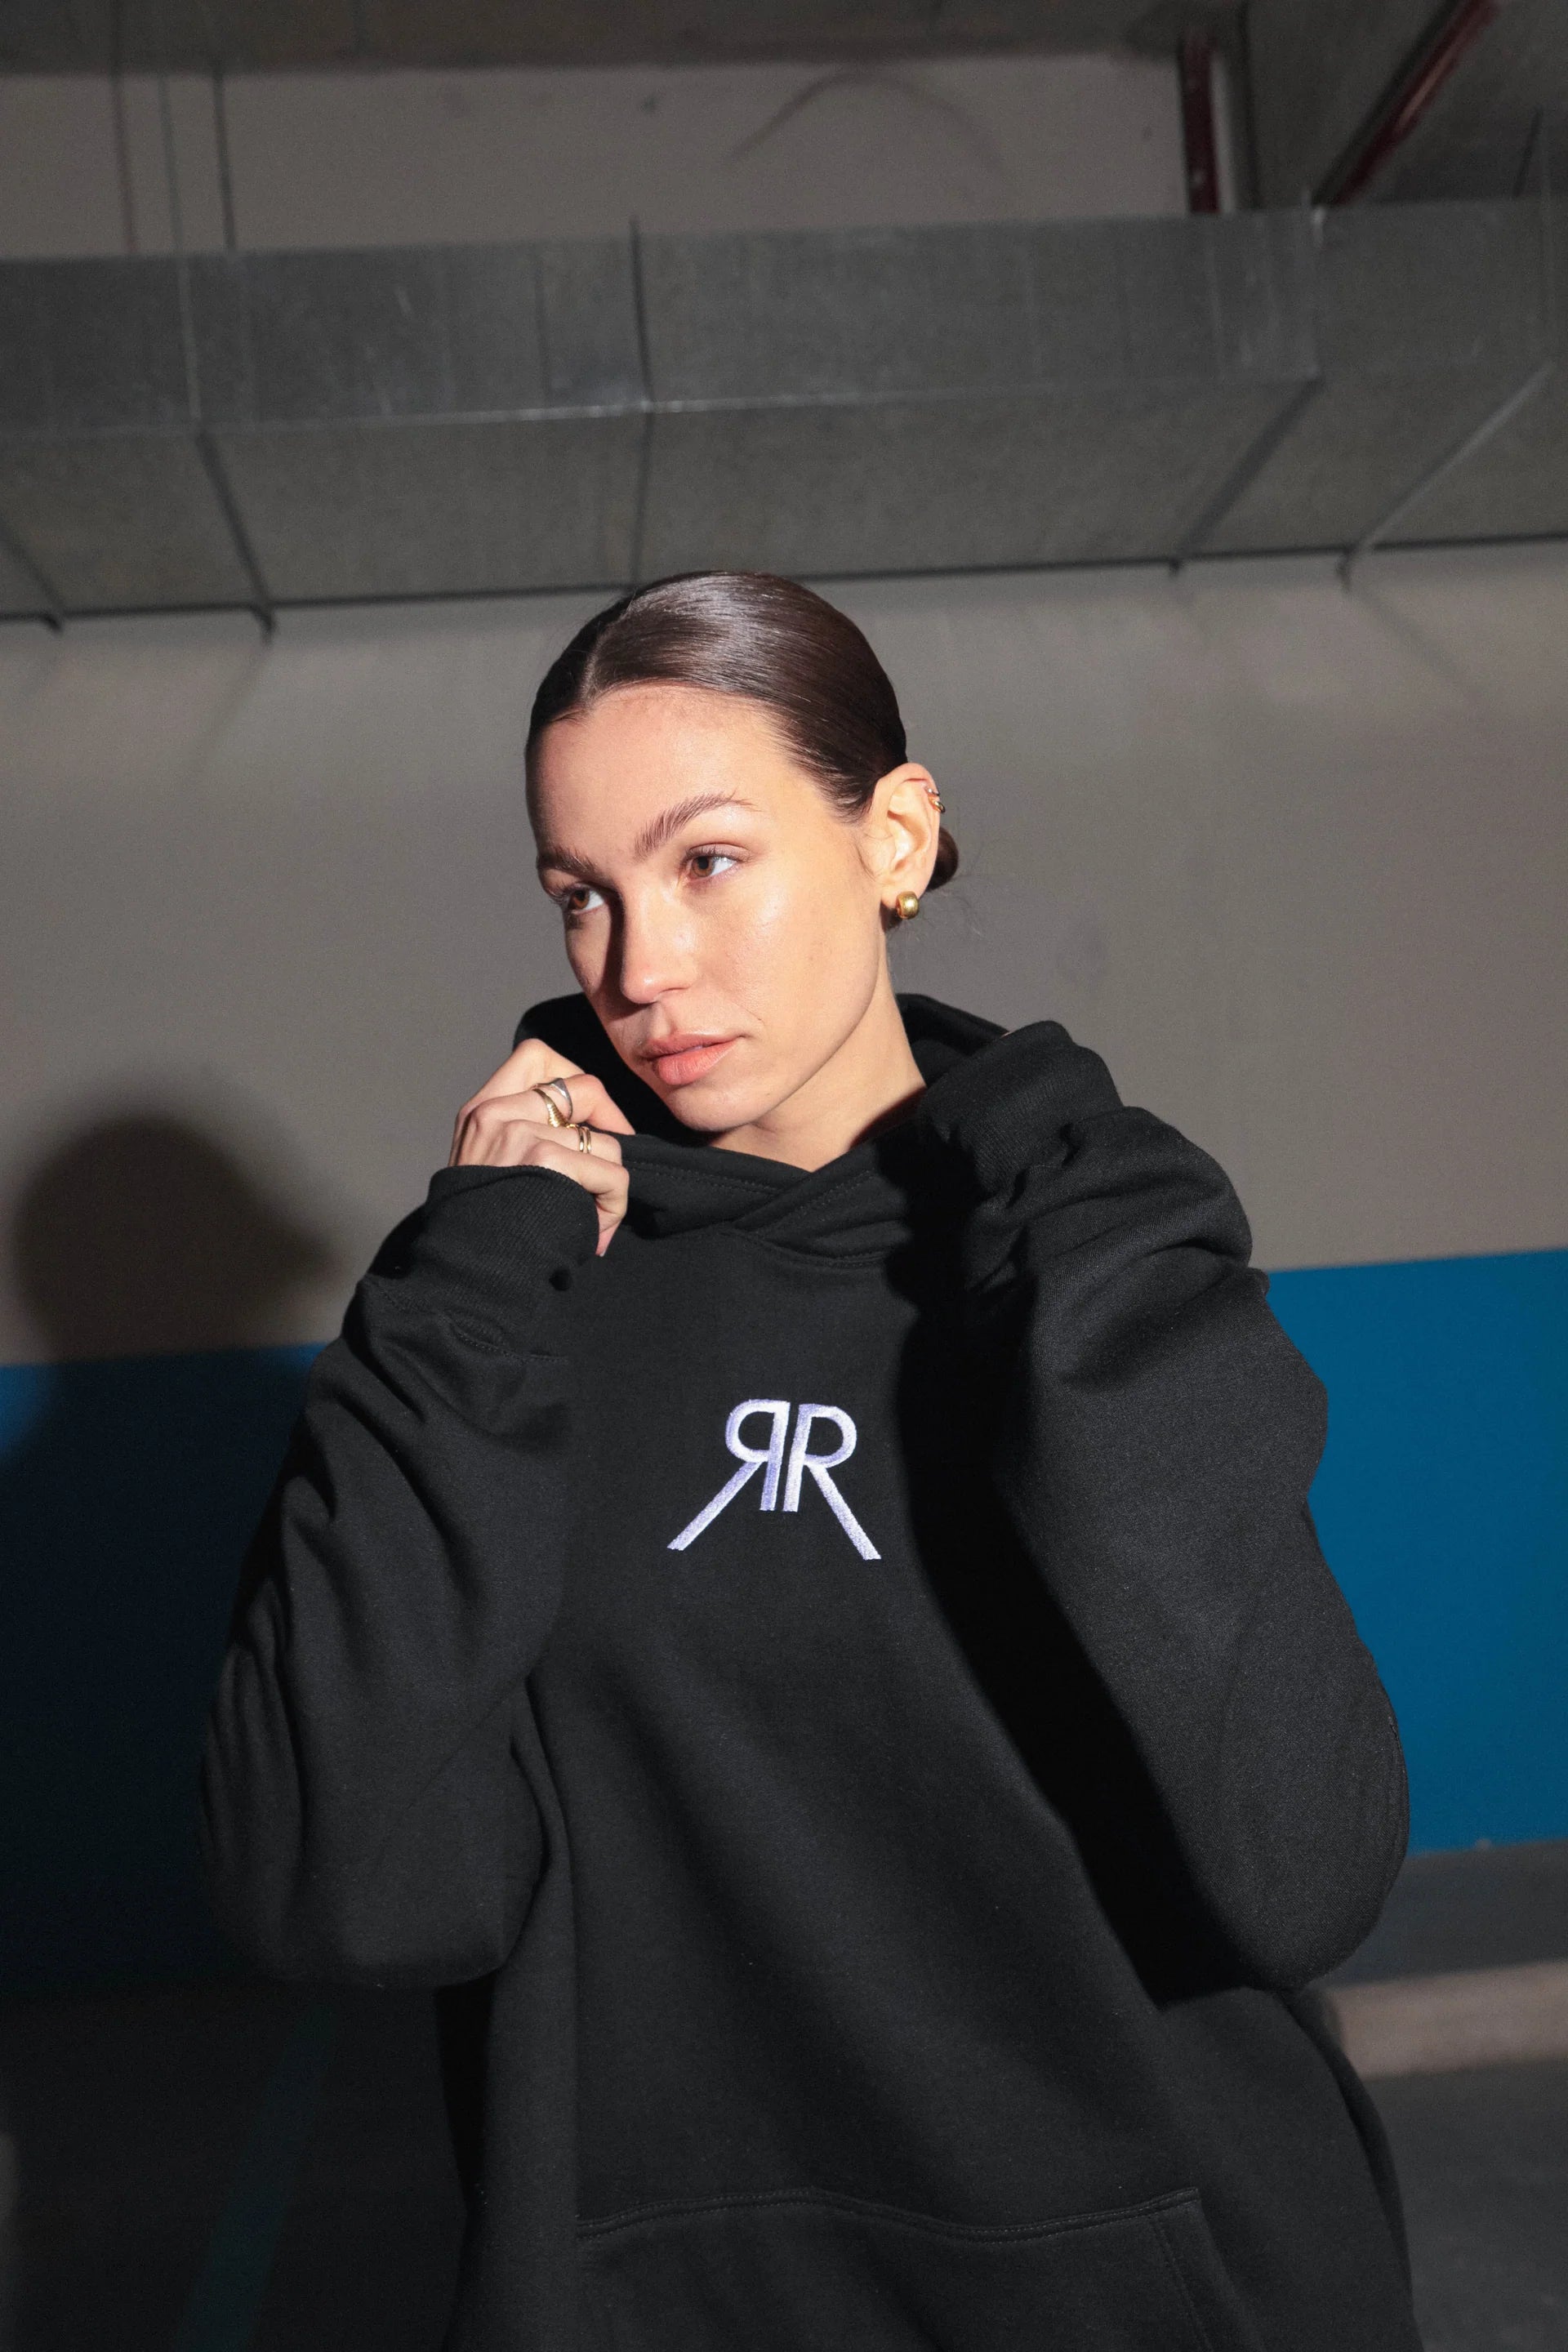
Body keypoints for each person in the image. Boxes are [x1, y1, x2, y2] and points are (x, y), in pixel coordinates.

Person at [200, 571, 1420, 2352]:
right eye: (582, 896)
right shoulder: (501, 1303)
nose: (640, 969)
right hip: (668, 2303)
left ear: (893, 839)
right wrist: (469, 1286)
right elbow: (345, 1890)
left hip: (1167, 2284)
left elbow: (1305, 1866)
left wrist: (1066, 1210)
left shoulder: (1092, 1241)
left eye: (708, 861)